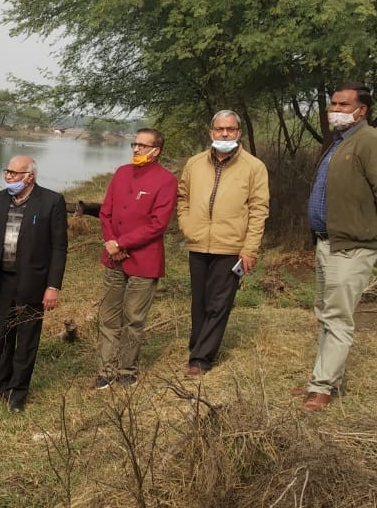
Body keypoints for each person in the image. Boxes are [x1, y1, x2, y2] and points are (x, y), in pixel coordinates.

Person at [298, 83, 377, 412]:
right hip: (327, 243)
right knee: (326, 314)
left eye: (342, 103)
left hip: (352, 246)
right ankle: (327, 377)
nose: (334, 108)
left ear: (361, 110)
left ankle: (321, 388)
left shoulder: (371, 142)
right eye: (332, 103)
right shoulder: (340, 142)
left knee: (338, 317)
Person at [177, 110, 269, 376]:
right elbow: (183, 198)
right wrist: (187, 225)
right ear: (211, 133)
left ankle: (200, 360)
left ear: (239, 133)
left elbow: (258, 209)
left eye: (230, 129)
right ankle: (197, 346)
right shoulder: (194, 164)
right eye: (220, 129)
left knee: (219, 303)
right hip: (198, 244)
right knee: (200, 302)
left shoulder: (254, 167)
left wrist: (250, 248)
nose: (225, 133)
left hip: (231, 247)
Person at [0, 154, 68, 411]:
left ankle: (18, 391)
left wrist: (53, 286)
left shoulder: (51, 202)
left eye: (14, 173)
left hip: (33, 282)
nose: (8, 177)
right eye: (7, 172)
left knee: (26, 338)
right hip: (2, 279)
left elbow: (59, 248)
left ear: (30, 177)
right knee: (3, 334)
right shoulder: (0, 199)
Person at [95, 128, 178, 389]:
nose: (136, 149)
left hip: (144, 260)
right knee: (108, 317)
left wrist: (122, 243)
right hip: (114, 257)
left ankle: (126, 370)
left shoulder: (166, 180)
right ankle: (105, 371)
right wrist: (111, 243)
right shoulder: (121, 173)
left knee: (133, 318)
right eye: (135, 144)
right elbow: (105, 212)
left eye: (143, 146)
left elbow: (157, 225)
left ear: (157, 151)